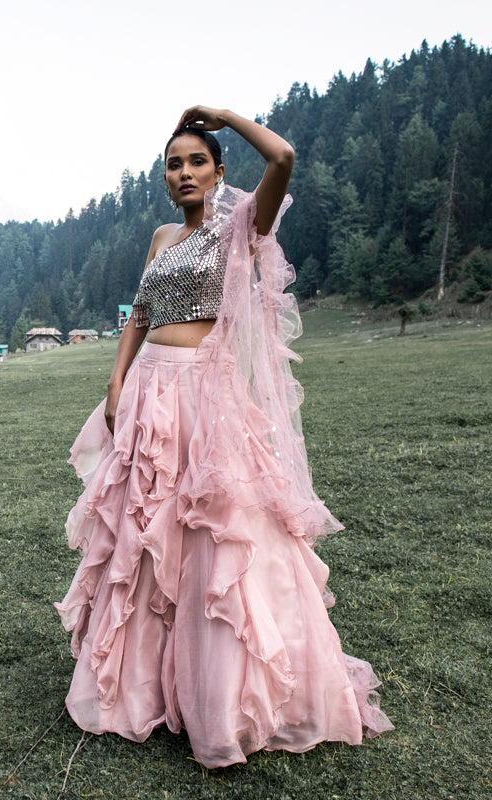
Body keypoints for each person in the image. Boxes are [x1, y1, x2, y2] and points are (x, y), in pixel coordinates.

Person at [54, 106, 393, 768]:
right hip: (150, 390)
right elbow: (142, 312)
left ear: (220, 170)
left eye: (196, 161)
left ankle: (219, 696)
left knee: (211, 537)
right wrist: (116, 382)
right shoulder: (159, 237)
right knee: (143, 535)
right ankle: (141, 683)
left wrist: (227, 117)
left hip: (205, 396)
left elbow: (285, 158)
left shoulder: (241, 227)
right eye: (174, 164)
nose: (183, 173)